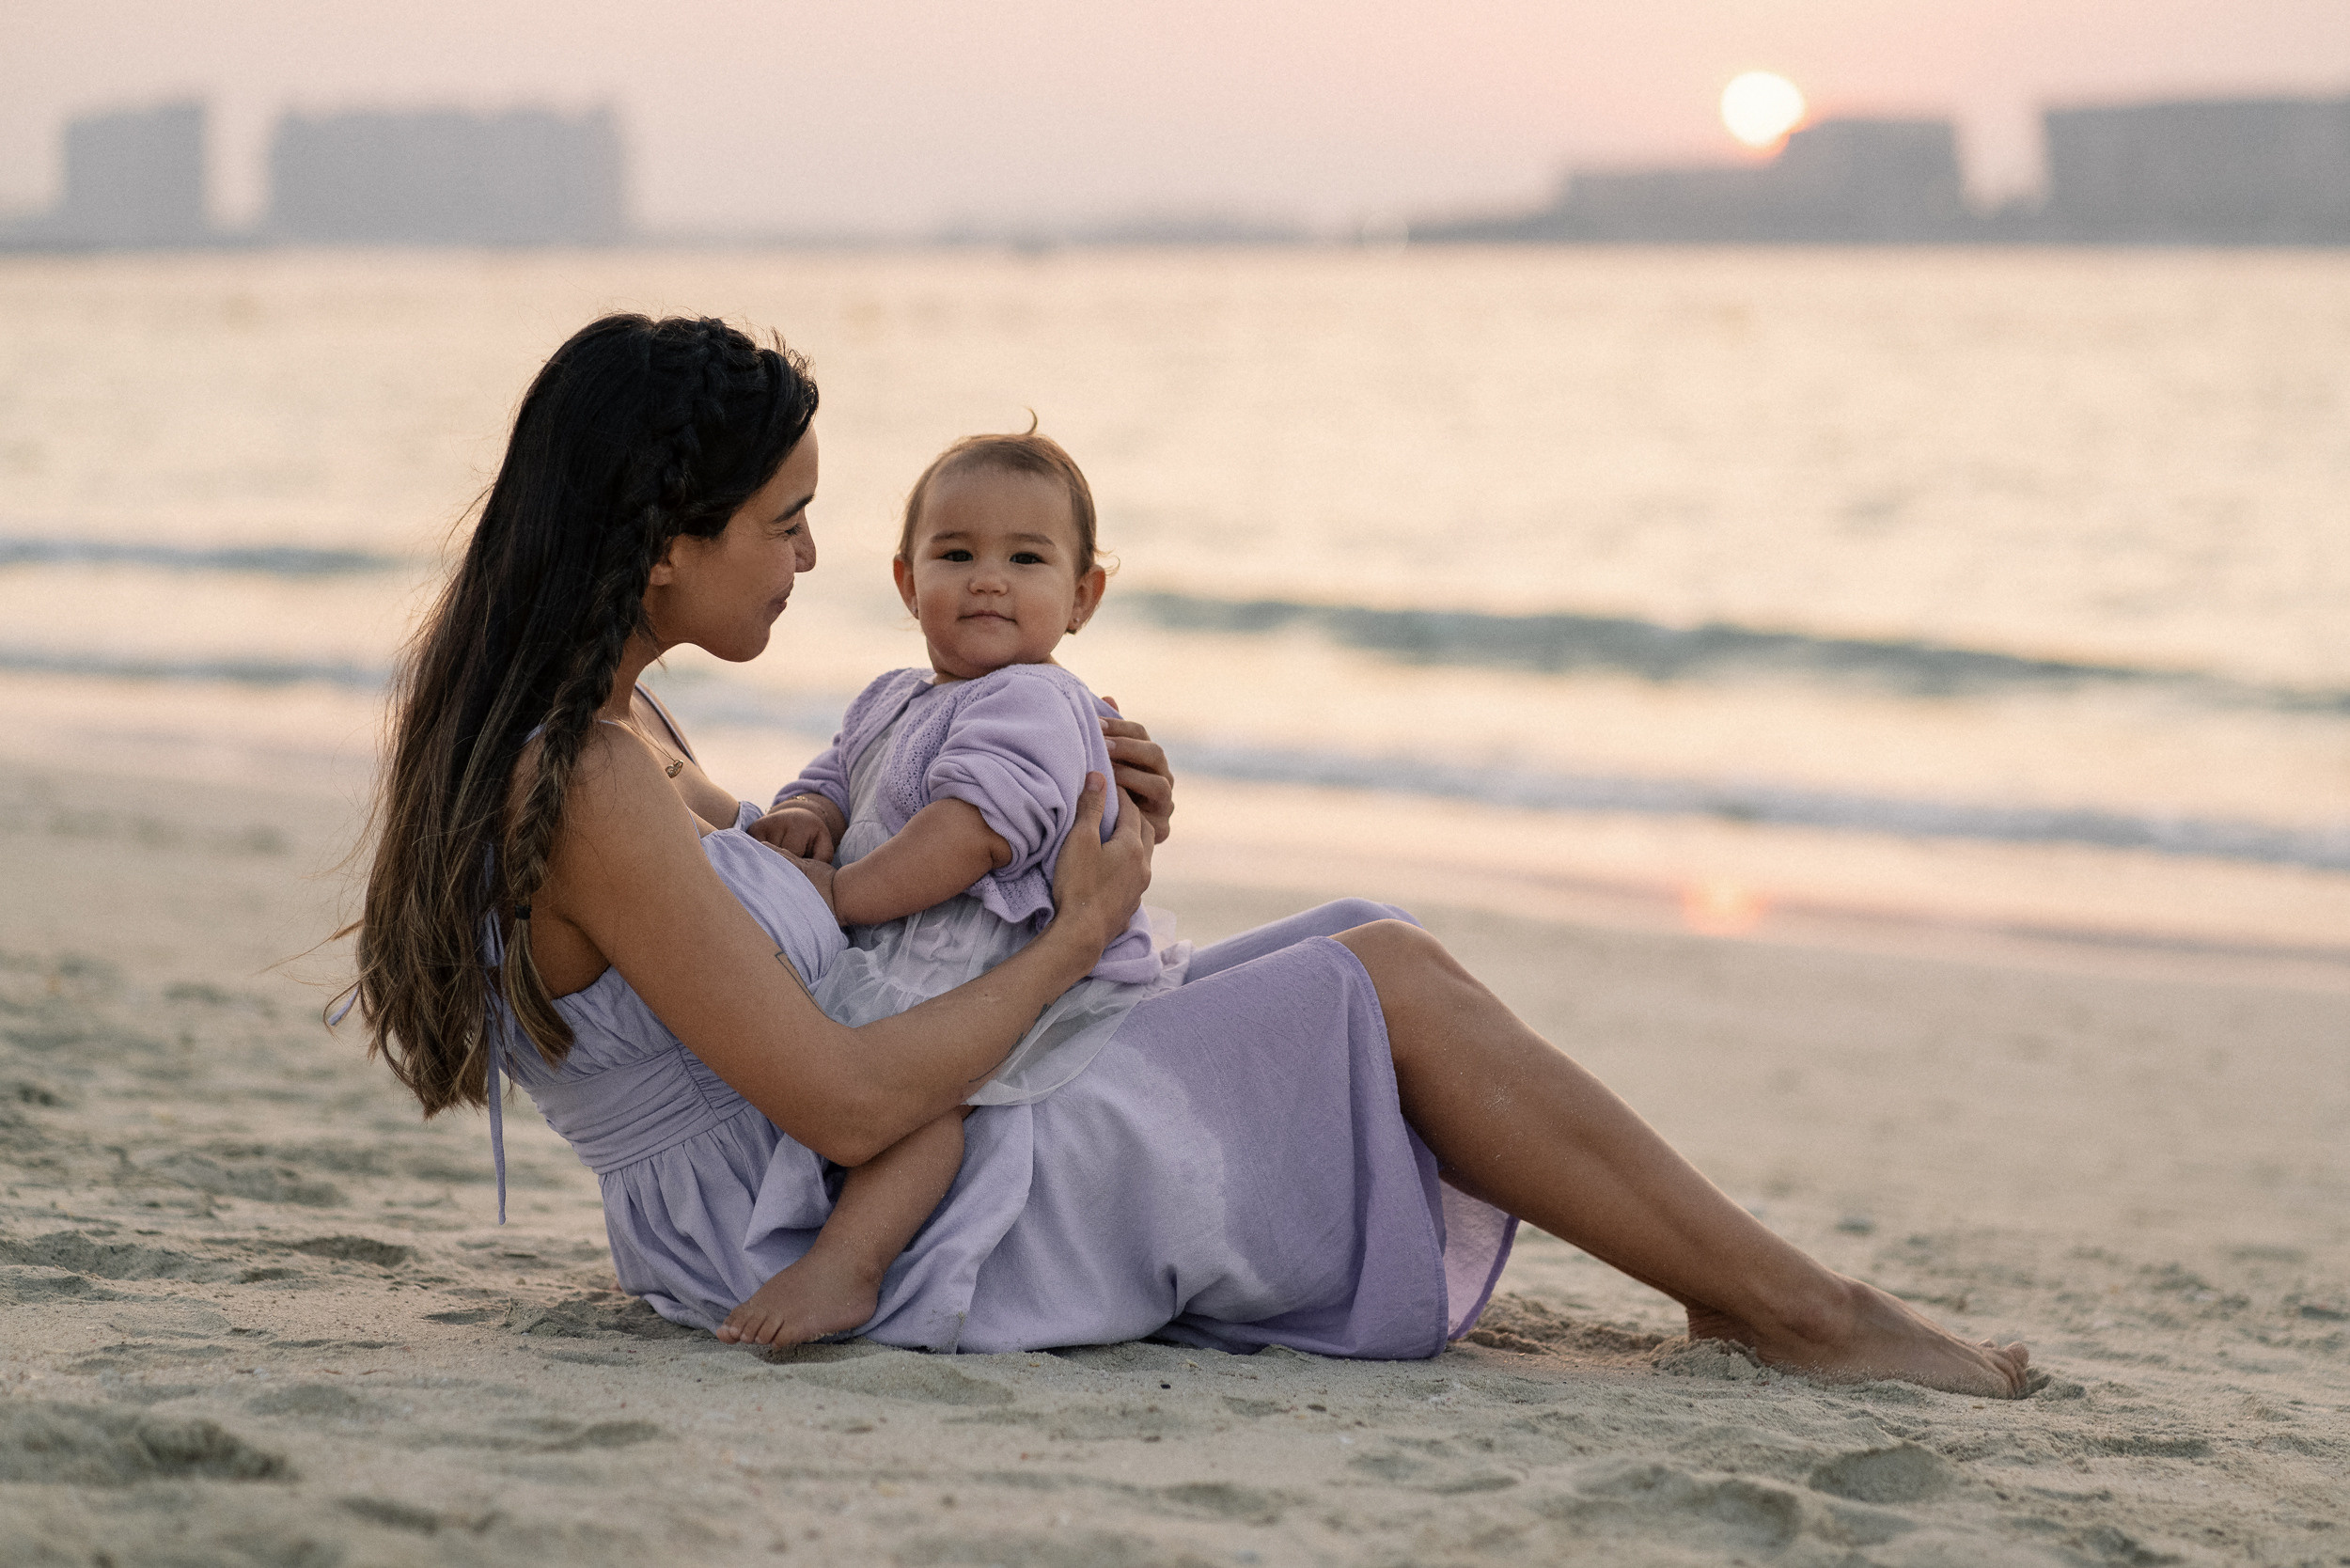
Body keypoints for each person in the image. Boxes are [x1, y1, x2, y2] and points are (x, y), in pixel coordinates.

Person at [342, 313, 2030, 1397]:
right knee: (1379, 982)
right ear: (659, 544)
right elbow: (847, 1097)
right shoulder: (584, 783)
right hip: (822, 1225)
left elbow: (819, 916)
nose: (805, 555)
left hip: (854, 1170)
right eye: (780, 519)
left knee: (1367, 941)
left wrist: (1073, 806)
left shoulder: (626, 736)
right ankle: (1795, 1308)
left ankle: (1758, 1294)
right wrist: (1075, 934)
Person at [715, 428, 1189, 1347]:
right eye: (956, 553)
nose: (987, 578)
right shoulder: (892, 697)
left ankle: (847, 1268)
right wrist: (809, 811)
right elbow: (839, 773)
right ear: (906, 582)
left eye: (1025, 557)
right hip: (912, 949)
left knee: (928, 1106)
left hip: (982, 963)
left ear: (1082, 596)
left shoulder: (1037, 701)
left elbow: (968, 837)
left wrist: (838, 896)